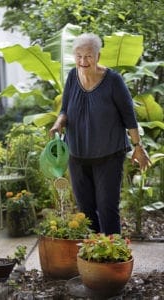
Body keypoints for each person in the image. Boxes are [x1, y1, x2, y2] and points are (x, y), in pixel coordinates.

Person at [50, 33, 151, 235]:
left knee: (107, 208)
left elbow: (129, 117)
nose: (83, 61)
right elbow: (65, 110)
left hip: (109, 155)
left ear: (98, 56)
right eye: (79, 56)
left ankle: (114, 255)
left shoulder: (113, 80)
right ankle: (93, 256)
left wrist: (138, 147)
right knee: (86, 210)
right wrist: (58, 123)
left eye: (88, 56)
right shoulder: (72, 76)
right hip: (77, 155)